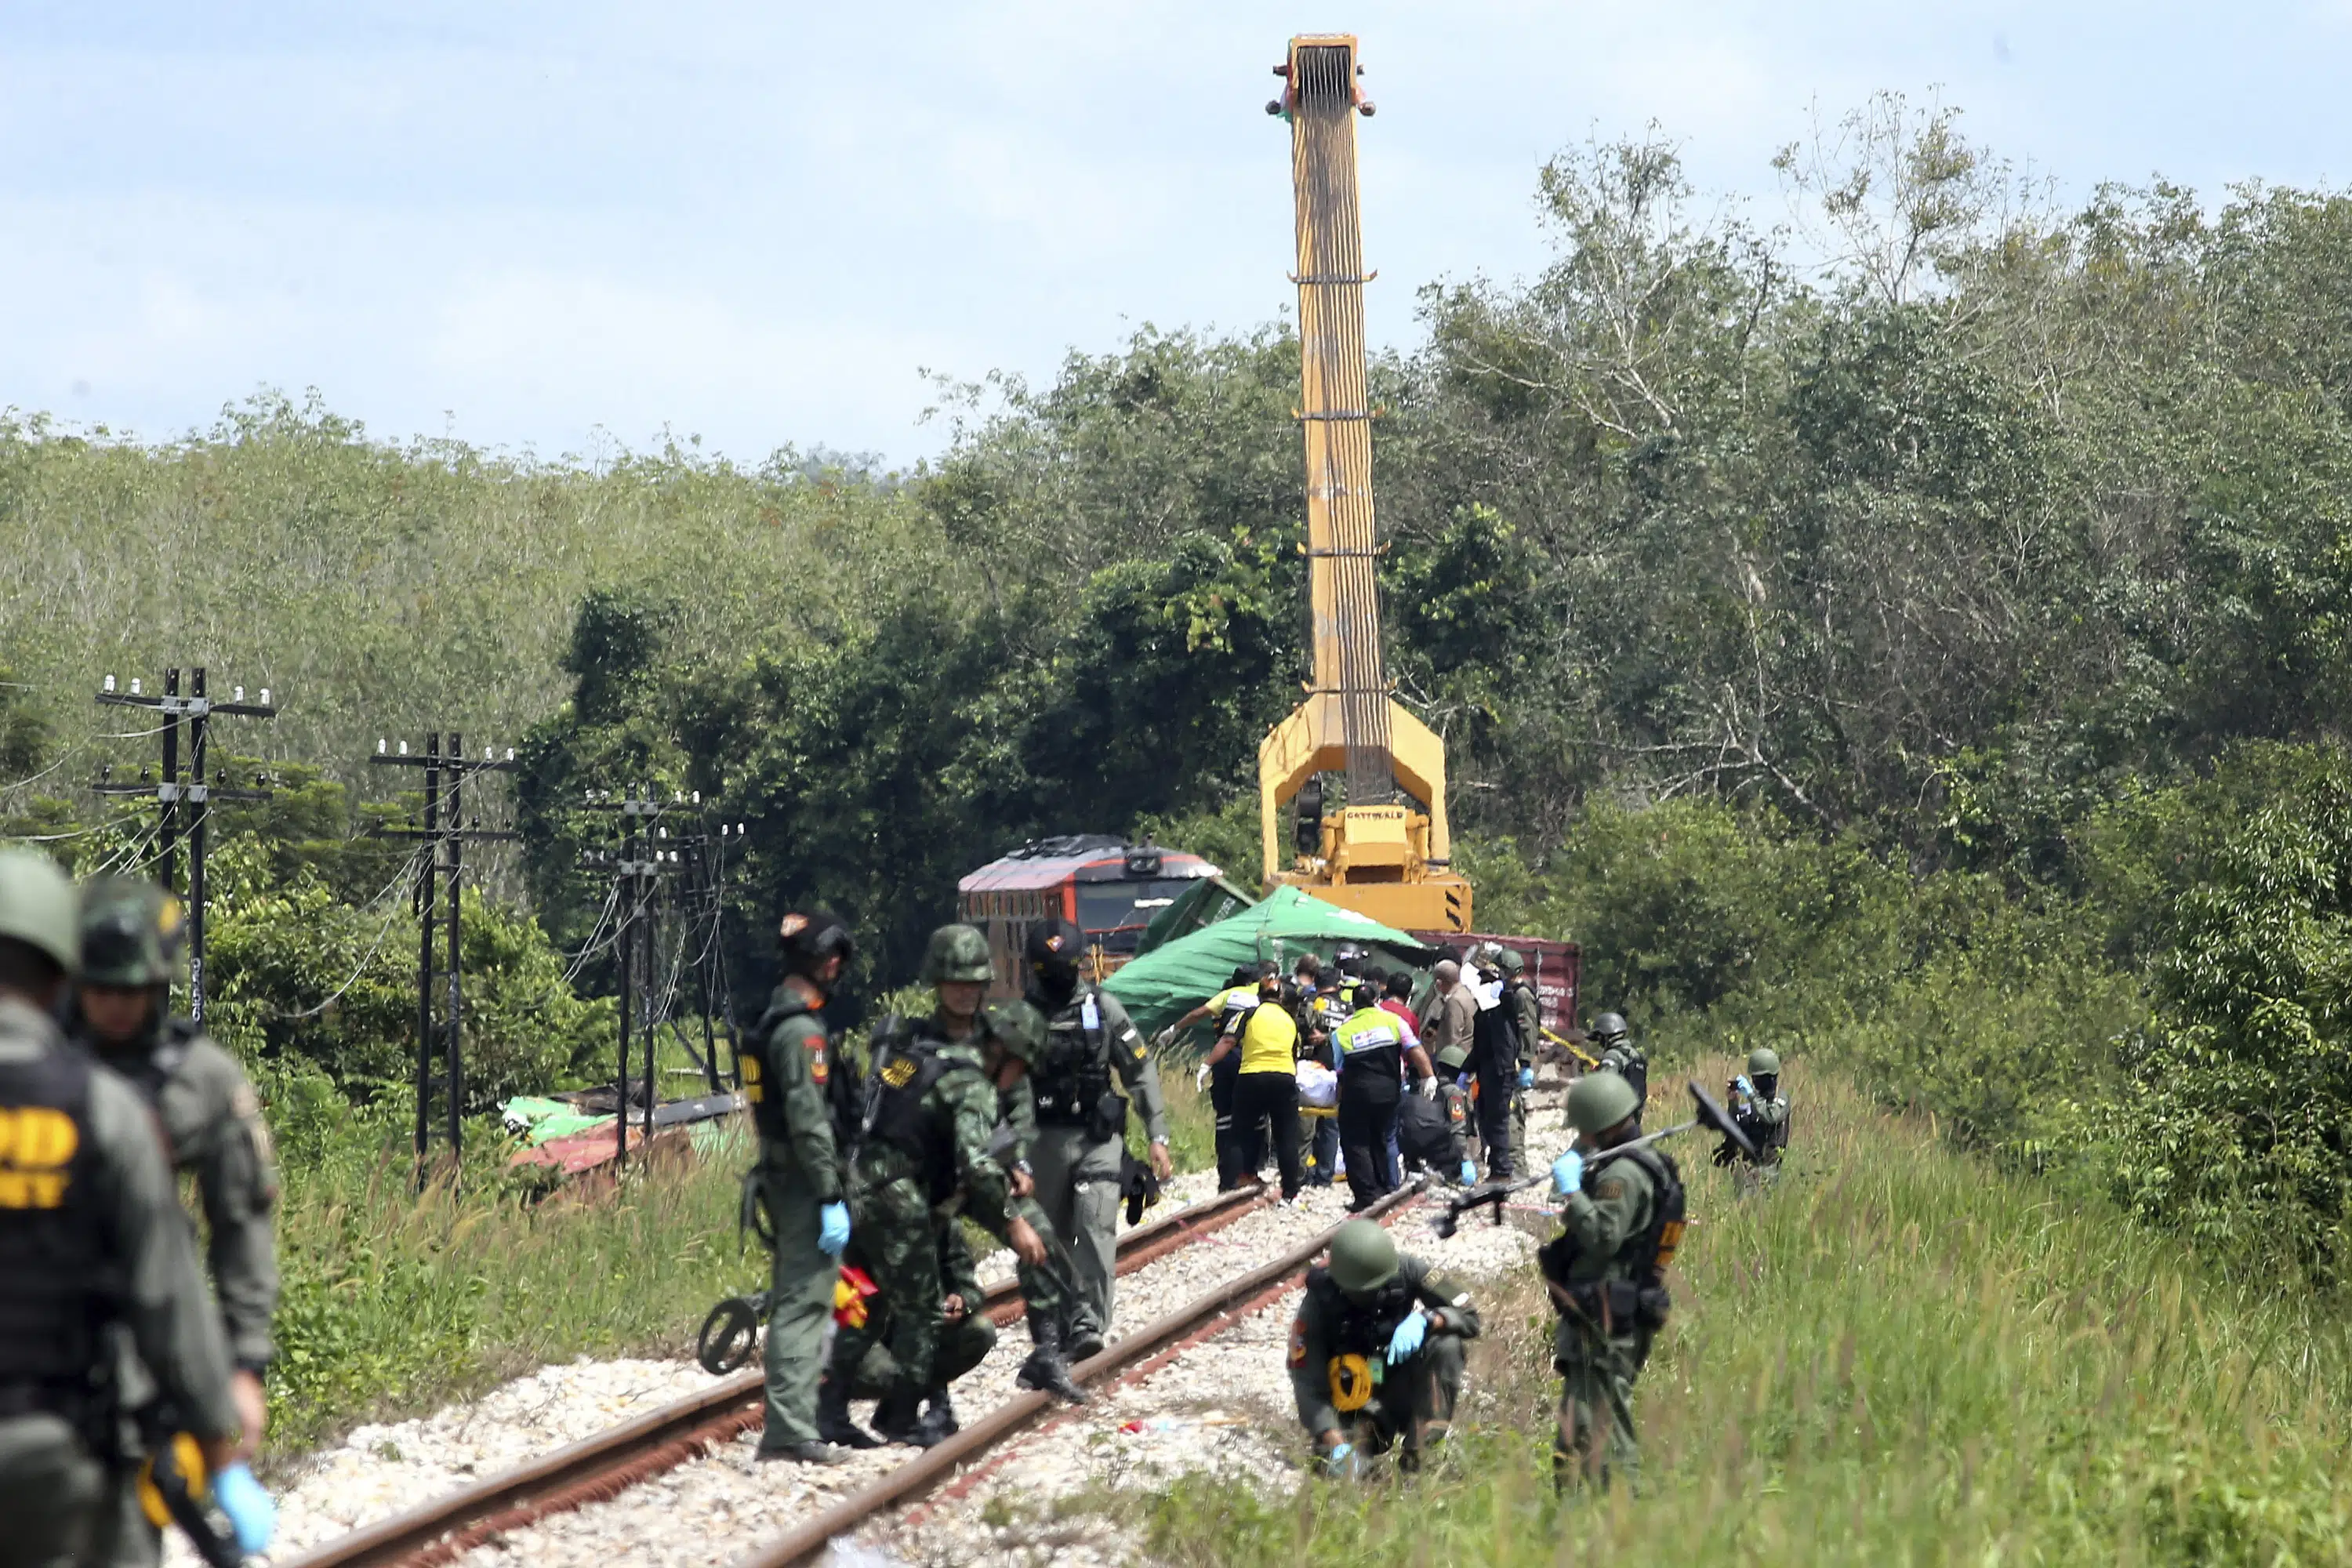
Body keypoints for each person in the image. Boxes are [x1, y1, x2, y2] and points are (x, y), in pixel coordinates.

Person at [0, 851, 245, 1567]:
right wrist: (219, 1449)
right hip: (62, 1448)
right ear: (61, 980)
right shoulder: (104, 1111)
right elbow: (167, 1298)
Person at [71, 878, 285, 1552]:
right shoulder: (36, 1069)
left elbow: (242, 1224)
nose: (112, 1006)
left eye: (129, 990)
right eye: (98, 988)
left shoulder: (201, 1081)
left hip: (145, 1348)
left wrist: (243, 1366)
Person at [825, 925, 1076, 1449]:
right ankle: (910, 1402)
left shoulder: (998, 1037)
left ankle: (1048, 1349)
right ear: (936, 982)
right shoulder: (907, 1039)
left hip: (966, 1177)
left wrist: (1015, 1163)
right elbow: (876, 1109)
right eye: (953, 981)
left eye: (973, 982)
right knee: (917, 1293)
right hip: (909, 1183)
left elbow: (1011, 1108)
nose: (964, 992)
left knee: (1037, 1235)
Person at [736, 906, 857, 1464]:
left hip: (782, 1176)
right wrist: (832, 1194)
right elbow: (811, 1123)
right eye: (830, 956)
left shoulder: (770, 1022)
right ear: (815, 962)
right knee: (803, 1303)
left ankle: (793, 1422)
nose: (837, 965)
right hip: (805, 1186)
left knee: (796, 1297)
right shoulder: (801, 1034)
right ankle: (789, 1429)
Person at [1019, 918, 1173, 1334]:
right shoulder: (1018, 1019)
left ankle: (1089, 1324)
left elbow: (1139, 1070)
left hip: (1097, 1140)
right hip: (1041, 1145)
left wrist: (1157, 1135)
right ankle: (1051, 1326)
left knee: (1095, 1228)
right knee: (1045, 1238)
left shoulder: (1104, 1009)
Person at [1541, 1071, 1684, 1494]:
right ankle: (1576, 1521)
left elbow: (1604, 1236)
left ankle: (1627, 1518)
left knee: (1602, 1431)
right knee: (1581, 1429)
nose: (1580, 1136)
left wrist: (1573, 1193)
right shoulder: (1631, 1160)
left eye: (1584, 1129)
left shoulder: (1623, 1174)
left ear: (1601, 1123)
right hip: (1604, 1314)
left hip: (1607, 1318)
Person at [1289, 1218, 1479, 1476]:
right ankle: (1358, 1465)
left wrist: (1429, 1319)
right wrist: (1336, 1444)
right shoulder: (1318, 1304)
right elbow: (1307, 1382)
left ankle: (1418, 1460)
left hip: (1401, 1387)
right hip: (1353, 1405)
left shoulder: (1408, 1270)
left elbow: (1469, 1315)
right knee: (1336, 1474)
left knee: (1447, 1345)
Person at [841, 1225, 996, 1436]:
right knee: (882, 1374)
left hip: (920, 1333)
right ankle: (832, 1413)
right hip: (871, 1332)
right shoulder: (865, 1222)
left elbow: (968, 1287)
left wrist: (961, 1301)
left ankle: (919, 1408)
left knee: (979, 1331)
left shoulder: (944, 1225)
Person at [1202, 970, 1304, 1203]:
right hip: (1284, 1077)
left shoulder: (1248, 1014)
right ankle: (1291, 1192)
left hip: (1252, 1077)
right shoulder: (1291, 1020)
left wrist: (1207, 1064)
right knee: (1287, 1137)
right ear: (1280, 998)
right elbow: (1294, 1054)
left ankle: (1232, 1183)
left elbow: (1228, 1040)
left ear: (1259, 995)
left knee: (1239, 1133)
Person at [1164, 964, 1265, 1191]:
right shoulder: (1261, 996)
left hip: (1223, 1059)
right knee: (1253, 1119)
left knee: (1225, 1120)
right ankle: (1249, 1172)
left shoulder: (1228, 995)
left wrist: (1174, 1029)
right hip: (1247, 1058)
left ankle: (1226, 1179)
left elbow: (1197, 1014)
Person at [1331, 989, 1432, 1211]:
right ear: (1377, 1000)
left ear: (1354, 1004)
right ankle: (1386, 1188)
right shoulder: (1393, 1021)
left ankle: (1367, 1195)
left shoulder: (1343, 1031)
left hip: (1357, 1094)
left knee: (1356, 1143)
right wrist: (1429, 1077)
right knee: (1381, 1139)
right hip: (1389, 1093)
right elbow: (1414, 1048)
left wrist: (1338, 1100)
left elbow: (1340, 1072)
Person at [1465, 951, 1520, 1179]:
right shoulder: (1483, 1014)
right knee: (1486, 1119)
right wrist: (1464, 1070)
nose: (1482, 983)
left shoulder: (1505, 1007)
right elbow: (1480, 1047)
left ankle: (1502, 1169)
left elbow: (1512, 1004)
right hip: (1487, 1072)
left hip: (1500, 1072)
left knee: (1498, 1121)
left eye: (1486, 979)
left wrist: (1503, 987)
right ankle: (1495, 1165)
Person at [1719, 1047, 1790, 1189]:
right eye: (1755, 1078)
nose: (1757, 1081)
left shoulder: (1780, 1099)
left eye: (1761, 1078)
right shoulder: (1754, 1103)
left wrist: (1751, 1095)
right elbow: (1733, 1127)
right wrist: (1733, 1102)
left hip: (1768, 1171)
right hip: (1745, 1169)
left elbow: (1771, 1116)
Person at [1498, 949, 1541, 1156]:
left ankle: (1517, 1160)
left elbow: (1528, 1029)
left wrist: (1525, 1063)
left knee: (1514, 1111)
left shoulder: (1522, 995)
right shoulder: (1513, 993)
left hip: (1518, 1061)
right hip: (1513, 1058)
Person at [1588, 1012, 1646, 1116]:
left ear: (1606, 1036)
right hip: (1634, 1114)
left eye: (1599, 1037)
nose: (1599, 1042)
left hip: (1616, 1116)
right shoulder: (1635, 1054)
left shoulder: (1612, 1055)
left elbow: (1604, 1087)